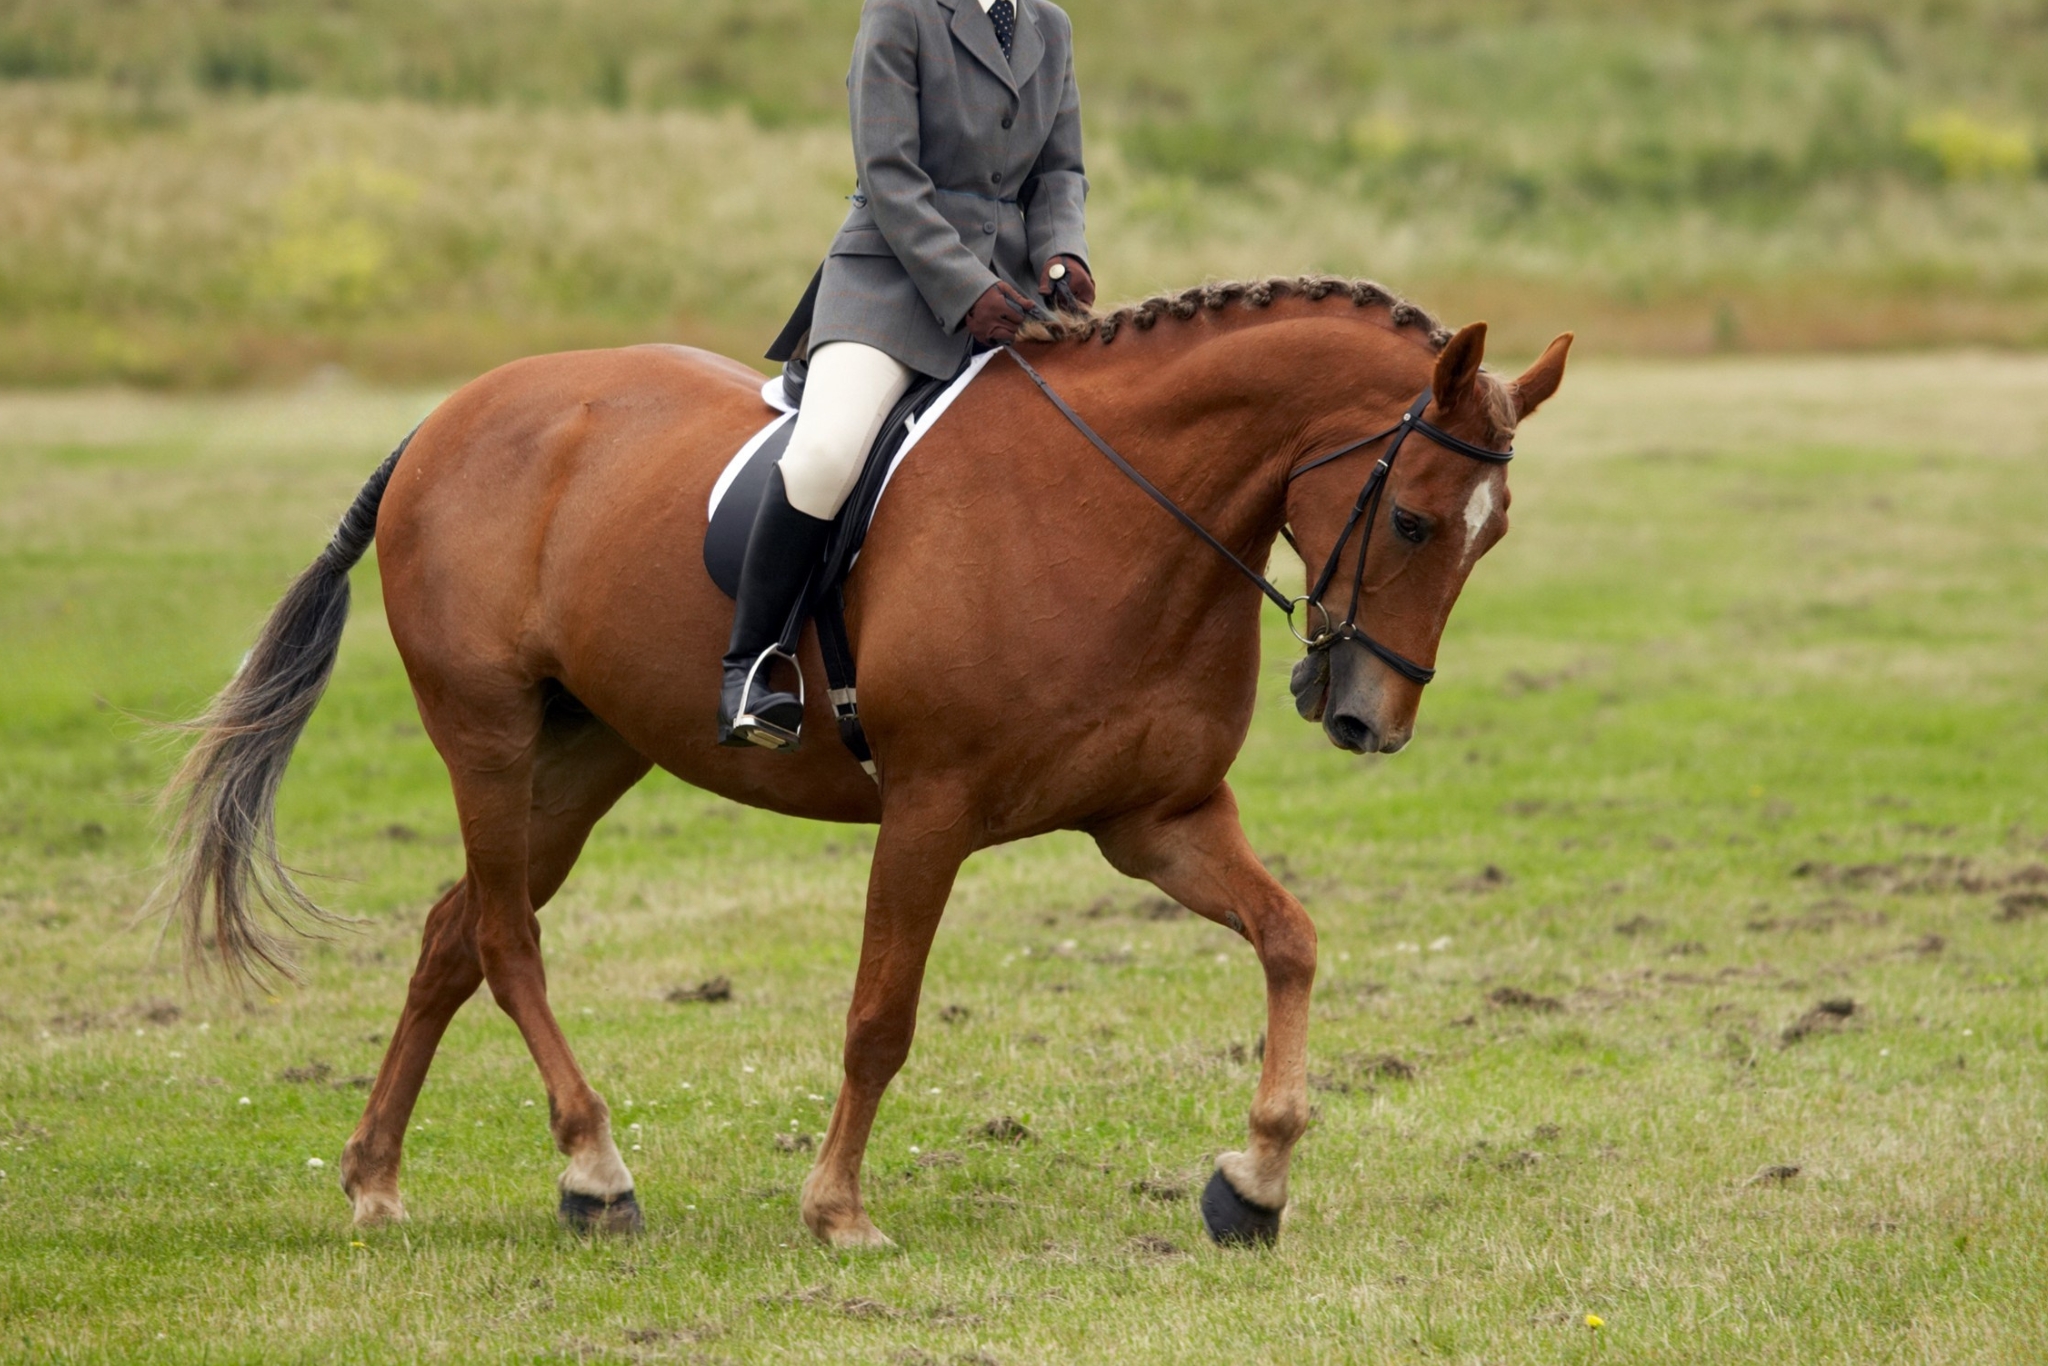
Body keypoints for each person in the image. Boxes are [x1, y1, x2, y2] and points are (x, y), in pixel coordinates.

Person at [719, 0, 1097, 750]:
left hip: (1009, 295)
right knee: (828, 453)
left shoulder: (1048, 25)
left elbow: (1059, 170)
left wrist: (1063, 252)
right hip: (890, 287)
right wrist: (965, 289)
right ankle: (751, 667)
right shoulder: (900, 12)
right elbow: (889, 175)